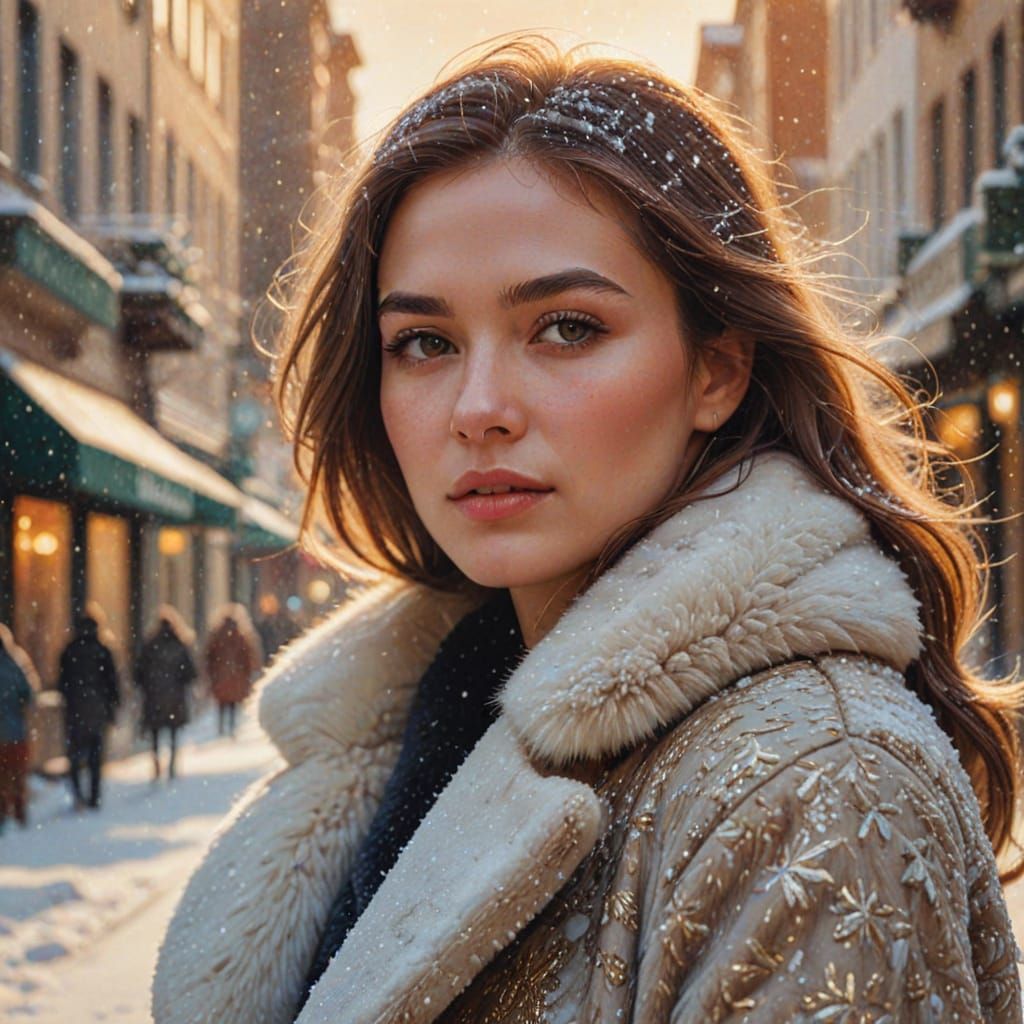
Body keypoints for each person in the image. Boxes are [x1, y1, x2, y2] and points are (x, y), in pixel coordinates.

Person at [153, 40, 1023, 1024]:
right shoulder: (418, 726)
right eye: (424, 343)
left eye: (566, 326)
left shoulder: (812, 776)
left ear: (716, 370)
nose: (477, 407)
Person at [57, 610, 120, 810]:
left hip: (75, 711)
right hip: (97, 711)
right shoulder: (103, 651)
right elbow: (112, 683)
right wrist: (112, 706)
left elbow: (62, 683)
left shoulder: (69, 650)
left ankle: (78, 796)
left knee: (75, 756)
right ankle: (94, 797)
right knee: (95, 757)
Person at [136, 607, 197, 781]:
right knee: (173, 732)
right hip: (174, 698)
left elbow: (138, 673)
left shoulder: (150, 645)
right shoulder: (180, 645)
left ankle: (156, 761)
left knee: (155, 732)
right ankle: (171, 764)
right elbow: (191, 673)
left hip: (154, 697)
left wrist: (148, 685)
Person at [203, 604, 262, 737]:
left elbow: (208, 657)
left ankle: (222, 726)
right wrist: (248, 674)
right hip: (236, 677)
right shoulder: (242, 636)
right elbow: (249, 658)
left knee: (222, 703)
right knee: (232, 704)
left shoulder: (217, 635)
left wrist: (211, 673)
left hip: (221, 676)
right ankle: (231, 726)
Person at [0, 624, 37, 830]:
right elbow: (29, 695)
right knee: (17, 777)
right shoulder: (16, 664)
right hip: (15, 733)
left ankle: (2, 815)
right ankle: (20, 815)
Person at [255, 594, 300, 665]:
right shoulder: (262, 627)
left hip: (285, 661)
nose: (268, 607)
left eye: (270, 603)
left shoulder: (287, 624)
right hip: (275, 661)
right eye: (266, 604)